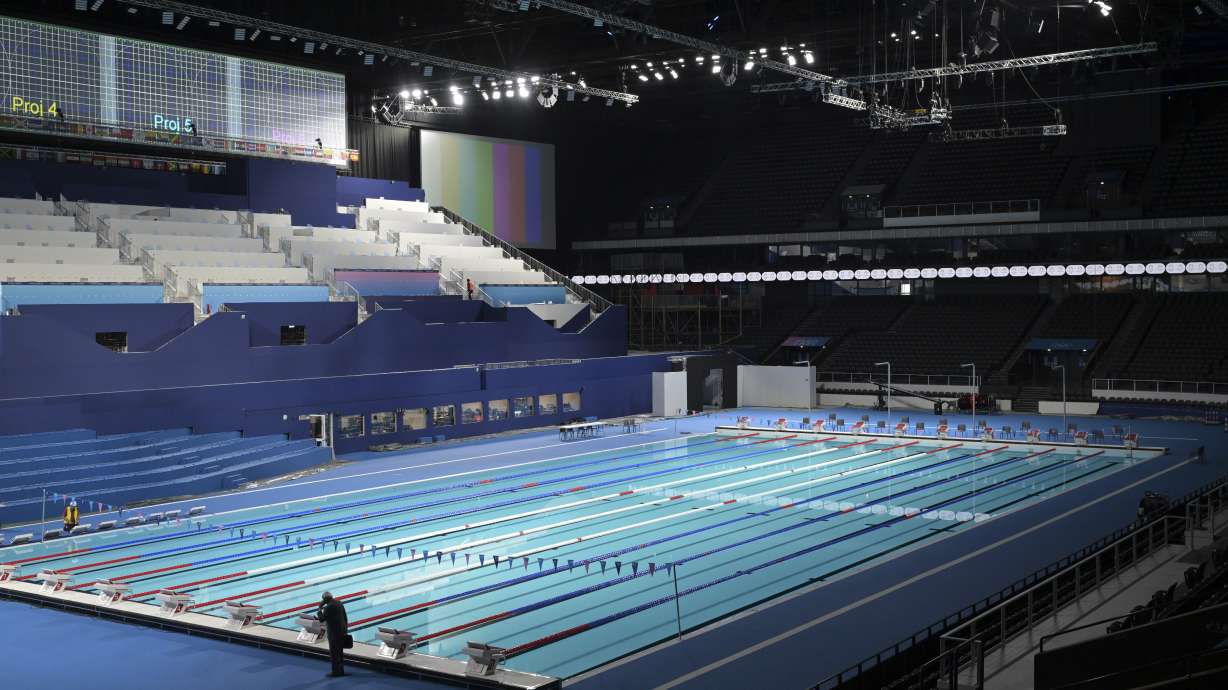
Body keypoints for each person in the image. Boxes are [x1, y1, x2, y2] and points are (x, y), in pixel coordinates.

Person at [316, 591, 349, 677]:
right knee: (340, 652)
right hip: (342, 631)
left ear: (325, 600)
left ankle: (335, 672)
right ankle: (341, 670)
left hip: (334, 634)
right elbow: (345, 617)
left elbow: (321, 619)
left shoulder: (328, 607)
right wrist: (345, 629)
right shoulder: (339, 603)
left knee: (334, 653)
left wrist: (319, 608)